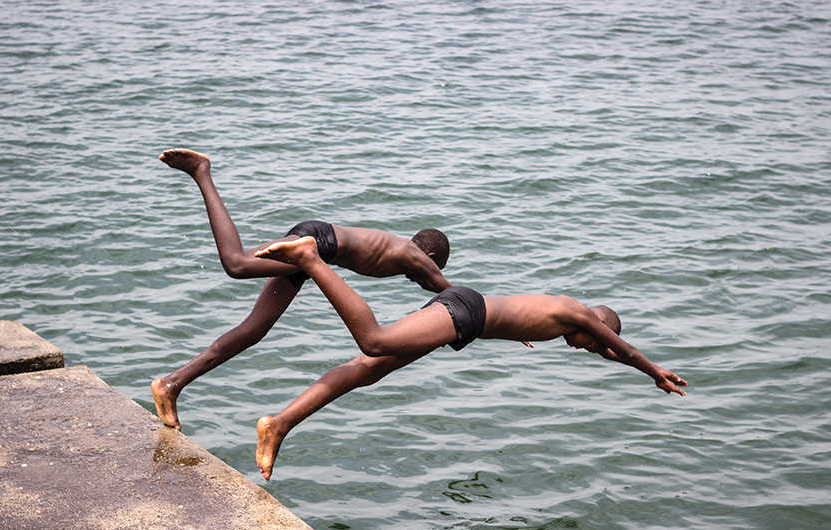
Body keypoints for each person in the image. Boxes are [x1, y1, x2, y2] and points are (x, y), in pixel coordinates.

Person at [253, 236, 687, 480]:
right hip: (464, 312)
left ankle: (280, 424)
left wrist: (510, 334)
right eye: (590, 342)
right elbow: (623, 350)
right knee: (374, 341)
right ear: (596, 322)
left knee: (368, 370)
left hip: (466, 315)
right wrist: (654, 371)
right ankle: (310, 258)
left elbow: (612, 352)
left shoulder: (569, 322)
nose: (583, 347)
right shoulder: (576, 311)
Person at [151, 149, 453, 430]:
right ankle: (202, 171)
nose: (424, 277)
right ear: (430, 258)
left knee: (254, 330)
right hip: (317, 243)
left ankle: (172, 384)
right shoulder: (415, 255)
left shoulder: (403, 252)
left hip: (315, 254)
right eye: (436, 266)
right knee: (237, 263)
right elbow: (451, 295)